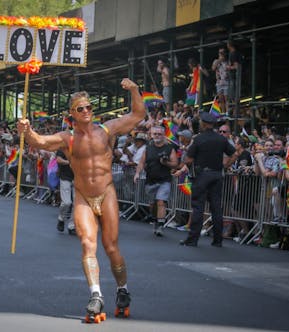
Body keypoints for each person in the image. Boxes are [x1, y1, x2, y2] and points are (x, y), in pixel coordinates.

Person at [17, 78, 145, 323]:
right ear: (72, 114)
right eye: (80, 109)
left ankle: (122, 289)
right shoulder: (68, 138)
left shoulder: (107, 129)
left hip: (106, 193)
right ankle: (96, 295)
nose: (86, 111)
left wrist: (134, 90)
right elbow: (39, 142)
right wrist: (26, 130)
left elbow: (138, 114)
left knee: (111, 247)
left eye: (89, 107)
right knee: (87, 244)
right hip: (84, 196)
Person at [179, 112, 236, 247]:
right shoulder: (221, 139)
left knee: (198, 207)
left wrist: (187, 152)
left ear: (203, 124)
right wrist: (225, 166)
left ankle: (193, 239)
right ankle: (218, 240)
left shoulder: (199, 139)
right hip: (217, 175)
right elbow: (234, 154)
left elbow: (188, 160)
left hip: (202, 175)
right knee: (216, 208)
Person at [134, 126, 178, 236]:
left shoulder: (169, 148)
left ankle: (160, 226)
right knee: (153, 204)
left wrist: (166, 163)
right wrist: (137, 173)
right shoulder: (148, 148)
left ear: (164, 135)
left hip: (164, 180)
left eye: (159, 134)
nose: (157, 136)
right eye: (155, 134)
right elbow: (141, 163)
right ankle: (155, 219)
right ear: (151, 135)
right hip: (150, 180)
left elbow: (175, 164)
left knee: (161, 201)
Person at [56, 149, 76, 235]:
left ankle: (72, 226)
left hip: (77, 178)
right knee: (67, 202)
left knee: (77, 204)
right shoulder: (63, 146)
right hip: (65, 177)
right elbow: (58, 159)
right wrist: (69, 162)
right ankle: (61, 219)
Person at [212, 47, 230, 114]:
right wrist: (219, 60)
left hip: (226, 82)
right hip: (219, 83)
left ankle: (227, 112)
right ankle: (223, 112)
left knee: (227, 98)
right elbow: (213, 68)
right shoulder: (216, 61)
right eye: (220, 53)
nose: (221, 54)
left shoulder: (227, 61)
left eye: (222, 52)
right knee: (221, 99)